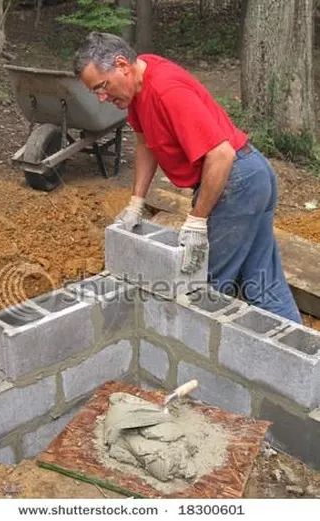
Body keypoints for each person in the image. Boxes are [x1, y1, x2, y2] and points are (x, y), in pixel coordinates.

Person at [73, 32, 301, 323]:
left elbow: (222, 154)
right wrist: (136, 202)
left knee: (202, 286)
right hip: (250, 177)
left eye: (102, 87)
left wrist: (197, 219)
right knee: (262, 281)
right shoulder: (139, 85)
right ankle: (307, 359)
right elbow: (145, 143)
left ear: (121, 65)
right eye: (95, 92)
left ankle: (200, 365)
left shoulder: (166, 90)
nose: (101, 97)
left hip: (236, 181)